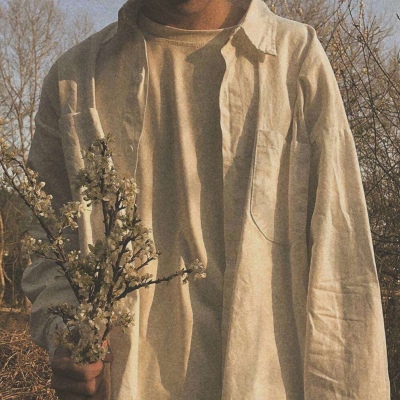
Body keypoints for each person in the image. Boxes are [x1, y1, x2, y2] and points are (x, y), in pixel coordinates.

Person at [22, 0, 390, 399]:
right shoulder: (76, 80)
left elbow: (342, 264)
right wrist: (70, 333)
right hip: (122, 386)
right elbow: (45, 243)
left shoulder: (294, 60)